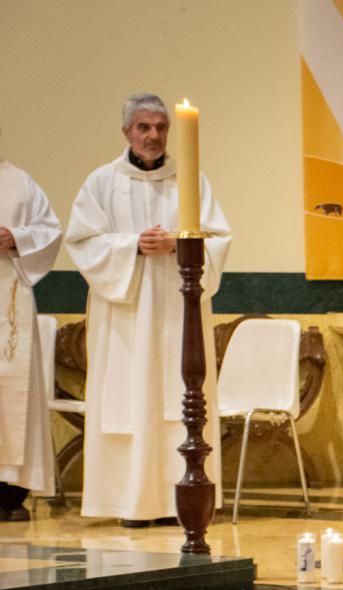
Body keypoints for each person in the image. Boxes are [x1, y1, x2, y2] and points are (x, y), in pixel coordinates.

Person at [67, 93, 233, 527]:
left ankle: (182, 498)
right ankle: (130, 504)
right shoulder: (101, 183)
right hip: (126, 314)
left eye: (160, 127)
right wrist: (132, 246)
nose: (153, 136)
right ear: (127, 132)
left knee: (182, 400)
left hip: (182, 311)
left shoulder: (191, 181)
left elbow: (219, 237)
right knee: (131, 397)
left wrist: (180, 243)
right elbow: (82, 242)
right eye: (144, 127)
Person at [0, 156, 63, 521]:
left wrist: (17, 237)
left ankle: (11, 495)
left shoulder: (20, 181)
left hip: (10, 297)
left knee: (13, 394)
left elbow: (50, 231)